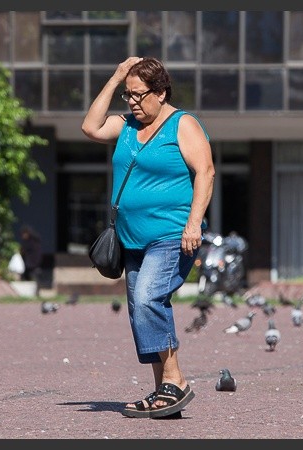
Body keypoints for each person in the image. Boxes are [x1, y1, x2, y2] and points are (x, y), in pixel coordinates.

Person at [81, 56, 215, 419]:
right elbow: (90, 127)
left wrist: (193, 223)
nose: (134, 103)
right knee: (141, 308)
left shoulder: (181, 124)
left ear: (161, 92)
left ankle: (176, 382)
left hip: (172, 235)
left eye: (140, 95)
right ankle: (163, 393)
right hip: (132, 239)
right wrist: (115, 77)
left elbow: (205, 171)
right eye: (129, 96)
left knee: (148, 297)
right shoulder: (125, 125)